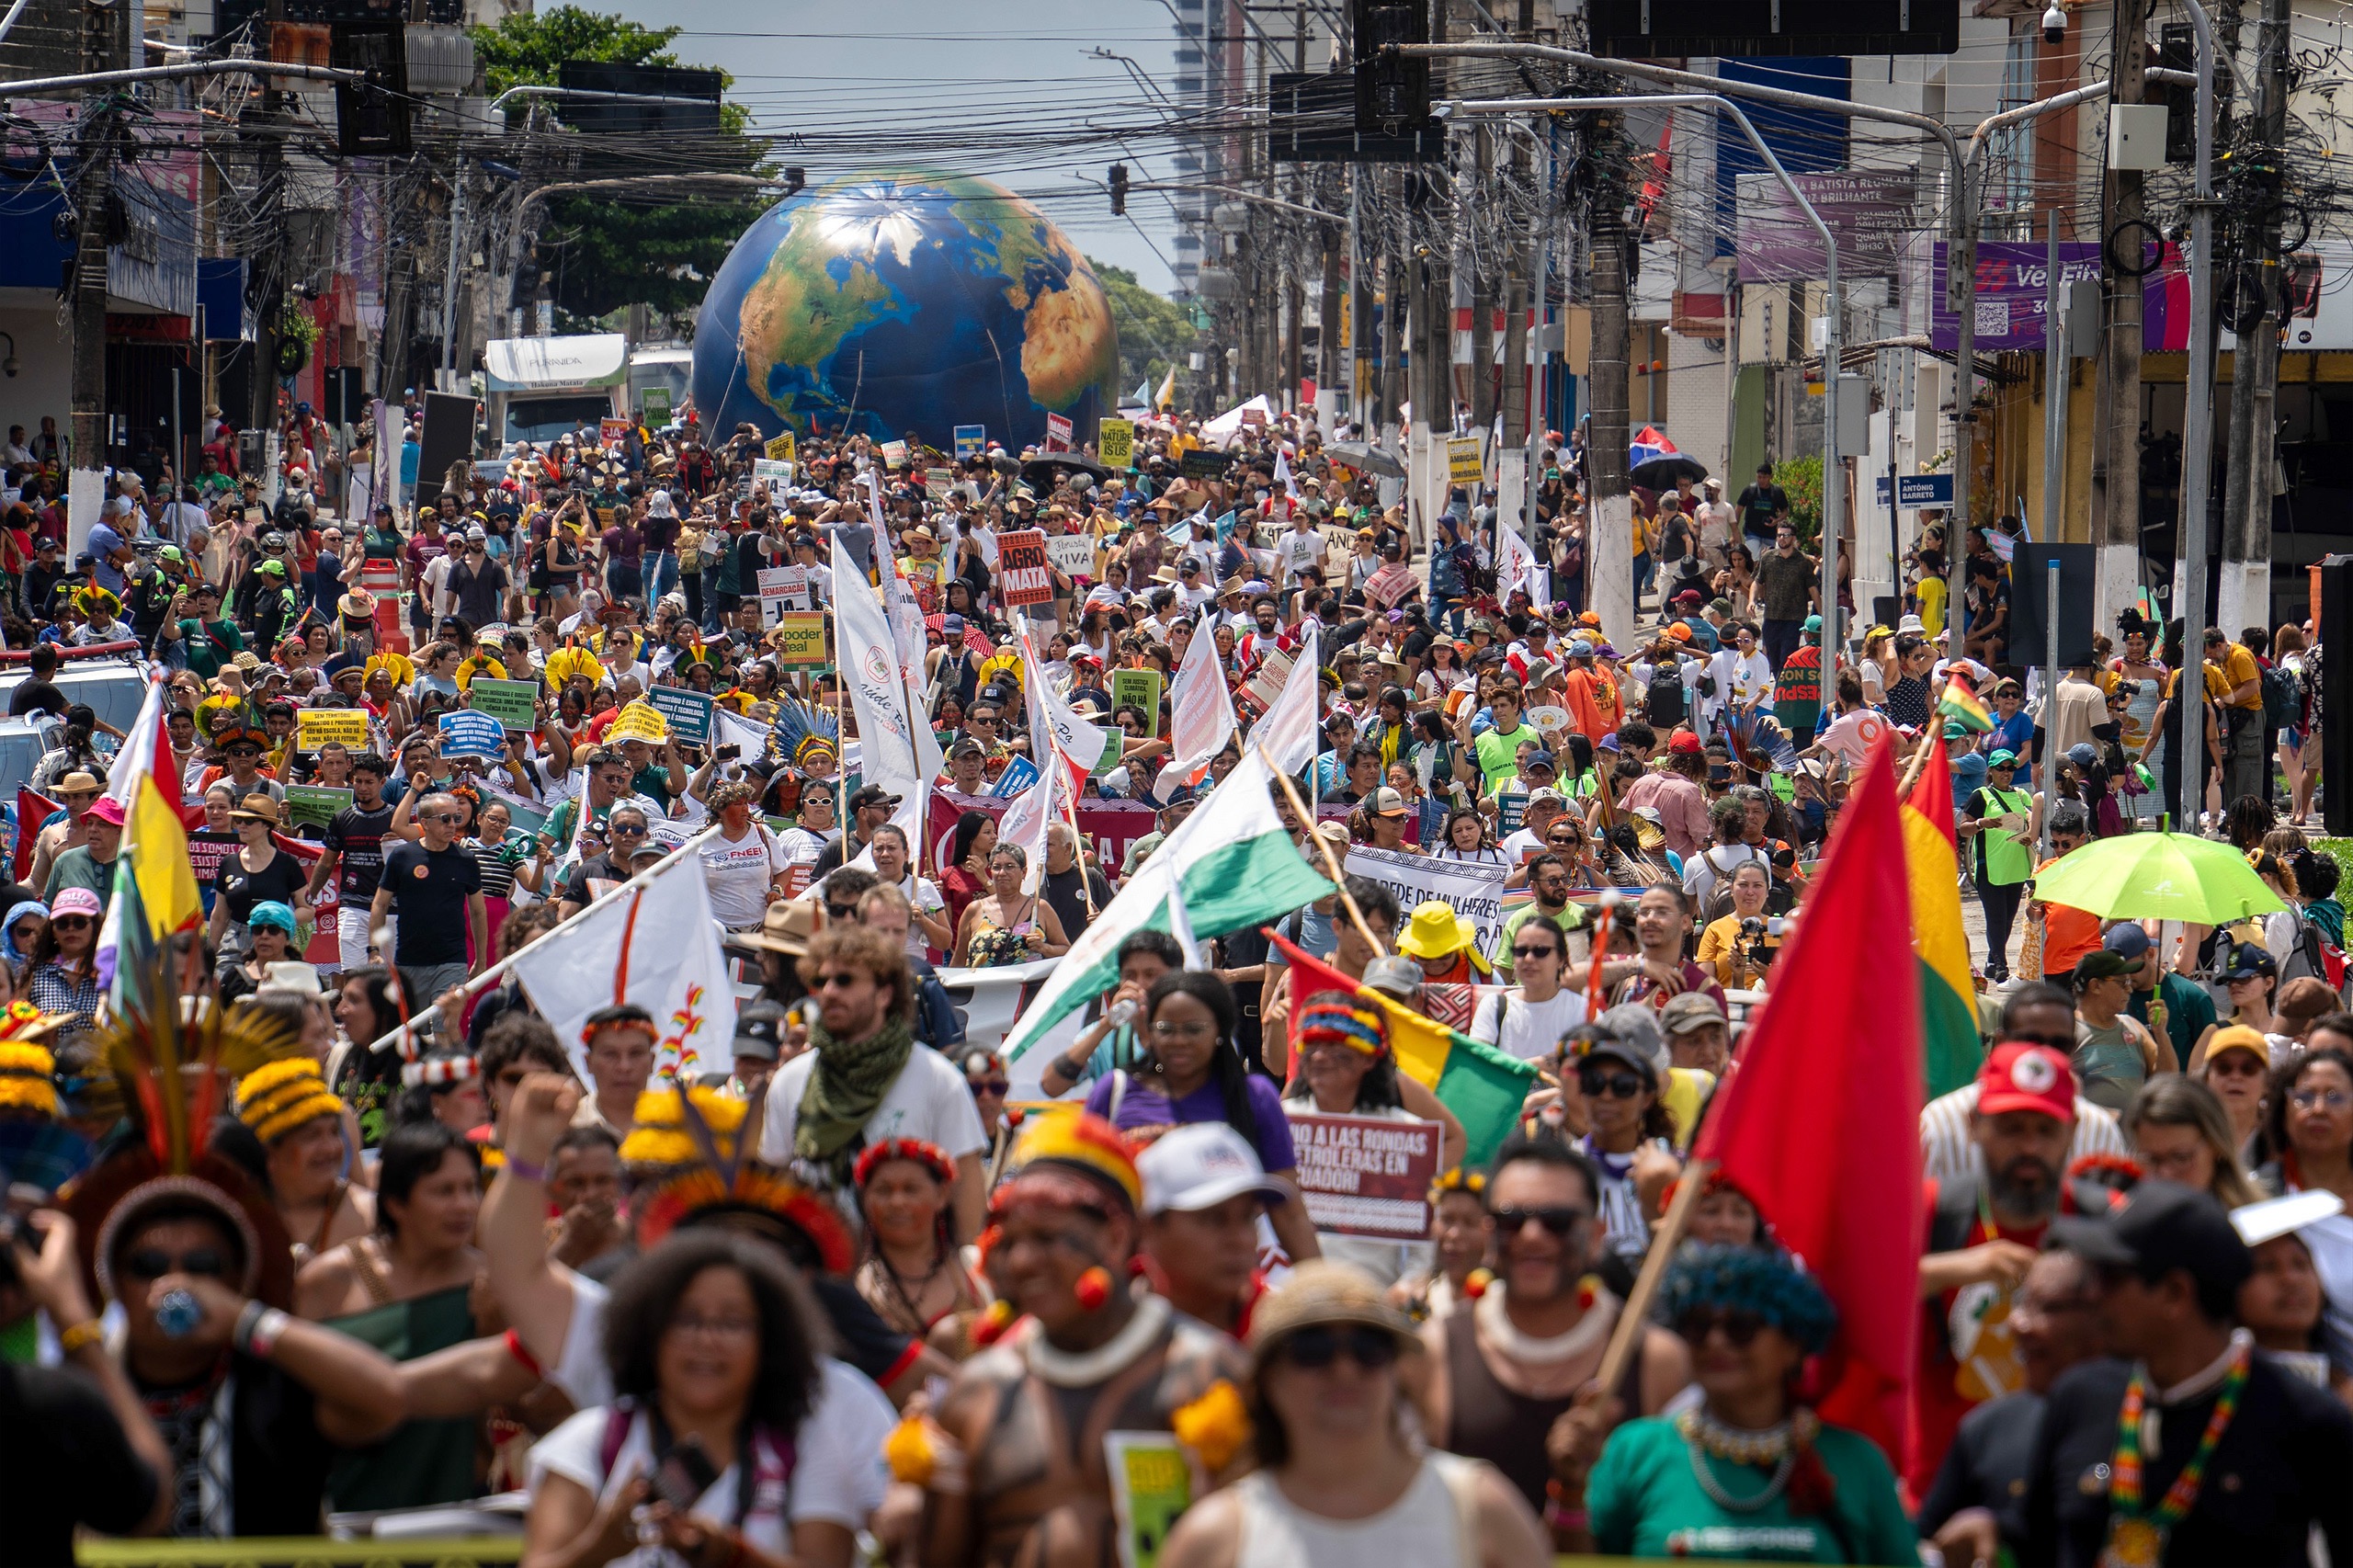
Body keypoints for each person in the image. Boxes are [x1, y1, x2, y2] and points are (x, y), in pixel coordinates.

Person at [908, 1108, 1254, 1566]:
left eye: (1050, 1238)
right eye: (1010, 1242)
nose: (1024, 1262)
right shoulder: (977, 1396)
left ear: (1114, 1238)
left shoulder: (1210, 1376)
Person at [2025, 1178, 2353, 1567]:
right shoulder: (2080, 1397)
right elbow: (2033, 1544)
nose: (2094, 1295)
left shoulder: (2306, 1420)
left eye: (2113, 1278)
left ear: (2175, 1294)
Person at [523, 1229, 895, 1568]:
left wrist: (730, 1555)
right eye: (686, 1320)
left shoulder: (806, 1447)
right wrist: (600, 1548)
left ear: (769, 1343)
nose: (706, 1340)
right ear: (648, 1332)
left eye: (731, 1323)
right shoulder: (591, 1441)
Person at [1159, 1260, 1552, 1568]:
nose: (1345, 1370)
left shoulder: (1480, 1509)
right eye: (1313, 1349)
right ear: (1269, 1379)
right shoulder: (1216, 1540)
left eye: (1368, 1347)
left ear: (1395, 1371)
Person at [1574, 1244, 1916, 1565]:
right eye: (1698, 1325)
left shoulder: (1857, 1462)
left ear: (1794, 1346)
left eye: (1741, 1327)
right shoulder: (1636, 1450)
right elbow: (1574, 1562)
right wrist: (1568, 1487)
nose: (1715, 1341)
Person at [1419, 1132, 1691, 1528]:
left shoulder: (1656, 1359)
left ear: (1596, 1237)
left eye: (1557, 1222)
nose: (1533, 1236)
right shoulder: (1435, 1351)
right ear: (1490, 1234)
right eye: (1513, 1220)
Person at [1911, 1041, 2081, 1499]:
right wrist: (1947, 1269)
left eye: (2046, 1130)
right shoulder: (1926, 1213)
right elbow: (1851, 1298)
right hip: (1940, 1490)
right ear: (1973, 1126)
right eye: (2010, 1128)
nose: (2029, 1147)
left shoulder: (2104, 1222)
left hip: (2062, 1492)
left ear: (2073, 1131)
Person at [294, 1119, 486, 1511]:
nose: (463, 1205)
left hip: (454, 1511)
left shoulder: (486, 1285)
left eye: (470, 1188)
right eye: (443, 1191)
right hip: (343, 1508)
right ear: (396, 1203)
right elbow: (293, 1402)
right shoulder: (331, 1280)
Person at [755, 925, 988, 1240]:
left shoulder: (937, 1079)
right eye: (821, 981)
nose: (829, 992)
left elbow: (967, 1189)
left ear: (885, 993)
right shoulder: (790, 1081)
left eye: (845, 980)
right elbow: (774, 1185)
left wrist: (958, 1271)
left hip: (913, 1272)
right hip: (817, 1272)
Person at [1086, 971, 1323, 1266]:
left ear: (1220, 1031)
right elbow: (1085, 1197)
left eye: (1194, 1029)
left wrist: (1320, 1291)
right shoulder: (1114, 1092)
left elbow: (1287, 1210)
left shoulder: (1255, 1097)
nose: (1179, 1041)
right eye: (1166, 1028)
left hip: (1227, 1273)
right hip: (1133, 1276)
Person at [1919, 1247, 2111, 1565]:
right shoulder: (1986, 1427)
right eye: (2023, 1304)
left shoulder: (2145, 1418)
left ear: (2102, 1318)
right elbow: (1923, 1543)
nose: (2018, 1323)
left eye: (2046, 1308)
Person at [1281, 991, 1464, 1285]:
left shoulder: (1406, 1134)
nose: (1318, 1057)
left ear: (1368, 1059)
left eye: (1333, 1047)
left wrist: (1410, 1287)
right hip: (1291, 1292)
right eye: (1311, 1045)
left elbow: (1422, 1238)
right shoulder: (1280, 1123)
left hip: (1377, 1298)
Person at [1136, 1121, 1288, 1337]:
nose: (1241, 1240)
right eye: (1213, 1220)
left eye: (1248, 1218)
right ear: (1148, 1229)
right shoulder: (1097, 1325)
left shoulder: (1288, 1336)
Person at [2256, 1047, 2353, 1369]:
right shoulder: (2259, 1196)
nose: (2319, 1109)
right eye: (2304, 1097)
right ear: (2283, 1111)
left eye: (2335, 1097)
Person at [234, 1055, 376, 1262]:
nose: (331, 1148)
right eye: (312, 1136)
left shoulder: (371, 1218)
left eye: (334, 1132)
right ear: (269, 1151)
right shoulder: (239, 1221)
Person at [851, 1137, 986, 1344]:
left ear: (942, 1194)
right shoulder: (852, 1287)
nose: (897, 1202)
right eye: (883, 1190)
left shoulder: (978, 1271)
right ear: (865, 1200)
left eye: (911, 1189)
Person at [370, 790, 485, 1006]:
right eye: (445, 819)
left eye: (457, 818)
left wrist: (481, 959)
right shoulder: (402, 856)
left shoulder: (466, 860)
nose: (453, 824)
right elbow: (380, 903)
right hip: (409, 960)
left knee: (445, 1025)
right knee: (414, 1031)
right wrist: (373, 949)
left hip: (452, 960)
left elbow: (478, 911)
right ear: (425, 822)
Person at [2125, 1074, 2264, 1206]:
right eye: (2152, 1160)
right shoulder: (2121, 1222)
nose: (2165, 1174)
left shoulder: (2254, 1223)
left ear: (2216, 1148)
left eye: (2181, 1158)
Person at [1960, 750, 2035, 982]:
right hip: (1989, 866)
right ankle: (2001, 964)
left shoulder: (2022, 795)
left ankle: (1993, 961)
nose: (2006, 773)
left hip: (2016, 866)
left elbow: (2033, 822)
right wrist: (1981, 823)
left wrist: (2029, 835)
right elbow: (1963, 828)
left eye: (2010, 768)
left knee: (2009, 918)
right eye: (2000, 768)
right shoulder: (1980, 795)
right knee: (1996, 918)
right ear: (1990, 771)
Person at [1469, 915, 1584, 1062]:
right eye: (1521, 951)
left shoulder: (1582, 1011)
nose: (1529, 959)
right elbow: (1476, 1066)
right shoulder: (1494, 1006)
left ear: (1561, 959)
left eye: (1540, 951)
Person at [2068, 949, 2165, 1112]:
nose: (2130, 990)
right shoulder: (2067, 1031)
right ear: (2096, 986)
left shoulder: (2132, 1026)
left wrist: (2161, 1033)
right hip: (2089, 1136)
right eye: (2123, 983)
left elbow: (2165, 1077)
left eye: (2130, 982)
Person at [949, 843, 1070, 966]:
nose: (1002, 873)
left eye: (1010, 866)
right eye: (996, 867)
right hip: (982, 985)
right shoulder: (974, 910)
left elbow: (1067, 950)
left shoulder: (1039, 908)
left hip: (1030, 985)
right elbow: (958, 961)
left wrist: (1044, 948)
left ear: (1023, 872)